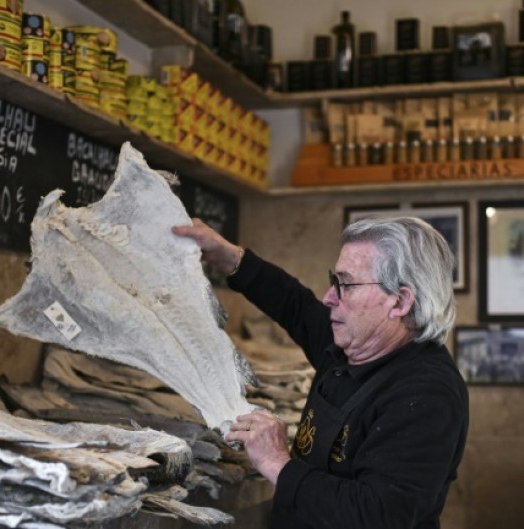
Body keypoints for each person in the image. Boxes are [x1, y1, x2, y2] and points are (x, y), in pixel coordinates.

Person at [172, 217, 469, 529]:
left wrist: (277, 462)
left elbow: (377, 515)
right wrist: (225, 255)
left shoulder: (426, 392)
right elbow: (295, 304)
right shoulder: (350, 347)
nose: (330, 297)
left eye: (346, 284)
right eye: (334, 280)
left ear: (400, 301)